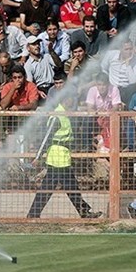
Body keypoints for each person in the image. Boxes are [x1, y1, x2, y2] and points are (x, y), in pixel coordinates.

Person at [26, 90, 102, 219]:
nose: (73, 101)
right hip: (57, 157)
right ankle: (33, 214)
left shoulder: (64, 115)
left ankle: (84, 212)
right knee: (50, 188)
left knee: (70, 186)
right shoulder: (57, 116)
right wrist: (38, 157)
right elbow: (47, 137)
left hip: (63, 156)